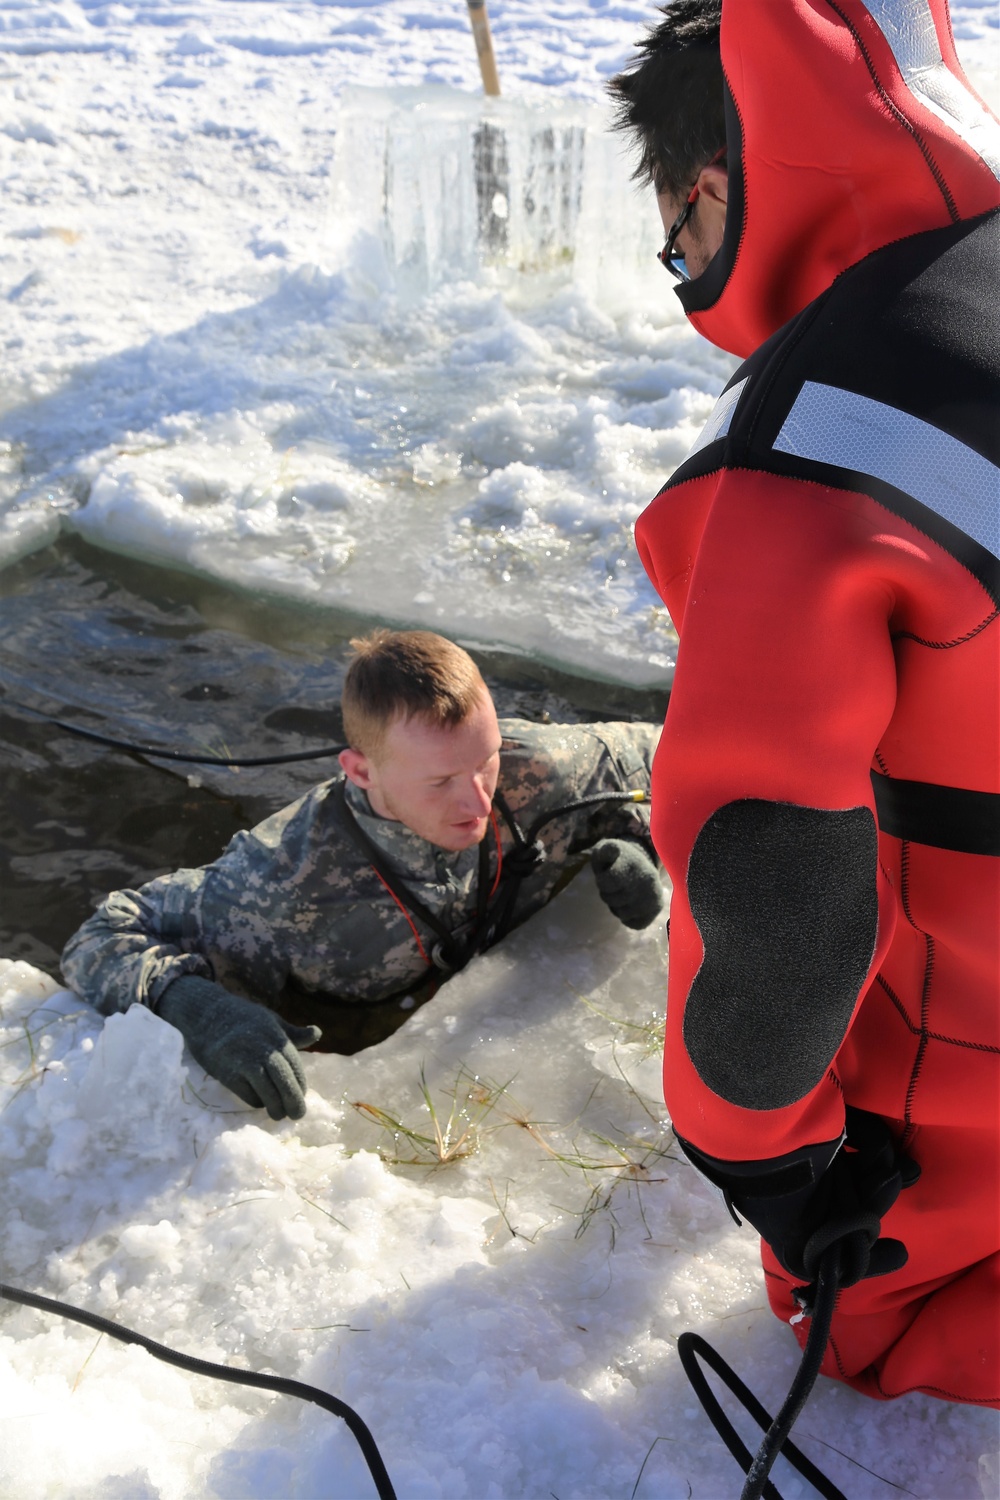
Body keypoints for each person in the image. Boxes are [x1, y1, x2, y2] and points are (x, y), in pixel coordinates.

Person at [609, 0, 999, 1407]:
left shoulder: (813, 434)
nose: (687, 271)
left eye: (676, 242)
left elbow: (772, 861)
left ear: (713, 186)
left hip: (974, 1053)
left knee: (869, 1320)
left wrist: (768, 1154)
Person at [62, 630, 664, 1122]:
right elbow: (101, 936)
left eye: (484, 762)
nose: (478, 800)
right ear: (361, 771)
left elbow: (675, 752)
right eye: (439, 782)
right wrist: (196, 1008)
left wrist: (645, 845)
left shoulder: (540, 762)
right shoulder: (281, 878)